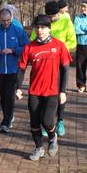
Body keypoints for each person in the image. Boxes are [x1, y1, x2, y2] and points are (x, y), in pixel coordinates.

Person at [16, 14, 71, 161]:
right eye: (37, 27)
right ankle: (39, 148)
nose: (40, 30)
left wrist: (63, 91)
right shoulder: (29, 47)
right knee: (34, 122)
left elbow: (65, 69)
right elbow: (21, 69)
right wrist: (18, 87)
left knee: (47, 121)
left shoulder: (59, 45)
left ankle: (53, 137)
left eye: (43, 27)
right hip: (35, 90)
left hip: (52, 91)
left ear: (49, 28)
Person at [31, 0, 76, 137]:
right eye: (49, 16)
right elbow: (33, 39)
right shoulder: (43, 23)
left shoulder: (66, 22)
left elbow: (73, 42)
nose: (51, 19)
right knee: (45, 94)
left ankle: (60, 120)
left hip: (60, 63)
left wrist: (58, 49)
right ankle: (47, 122)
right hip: (44, 64)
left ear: (59, 13)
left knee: (60, 93)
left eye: (54, 16)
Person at [0, 7, 28, 132]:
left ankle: (6, 121)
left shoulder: (18, 31)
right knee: (3, 96)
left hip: (13, 69)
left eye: (8, 20)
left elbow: (26, 47)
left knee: (10, 95)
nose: (5, 23)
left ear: (11, 19)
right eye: (3, 21)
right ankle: (9, 116)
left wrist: (13, 50)